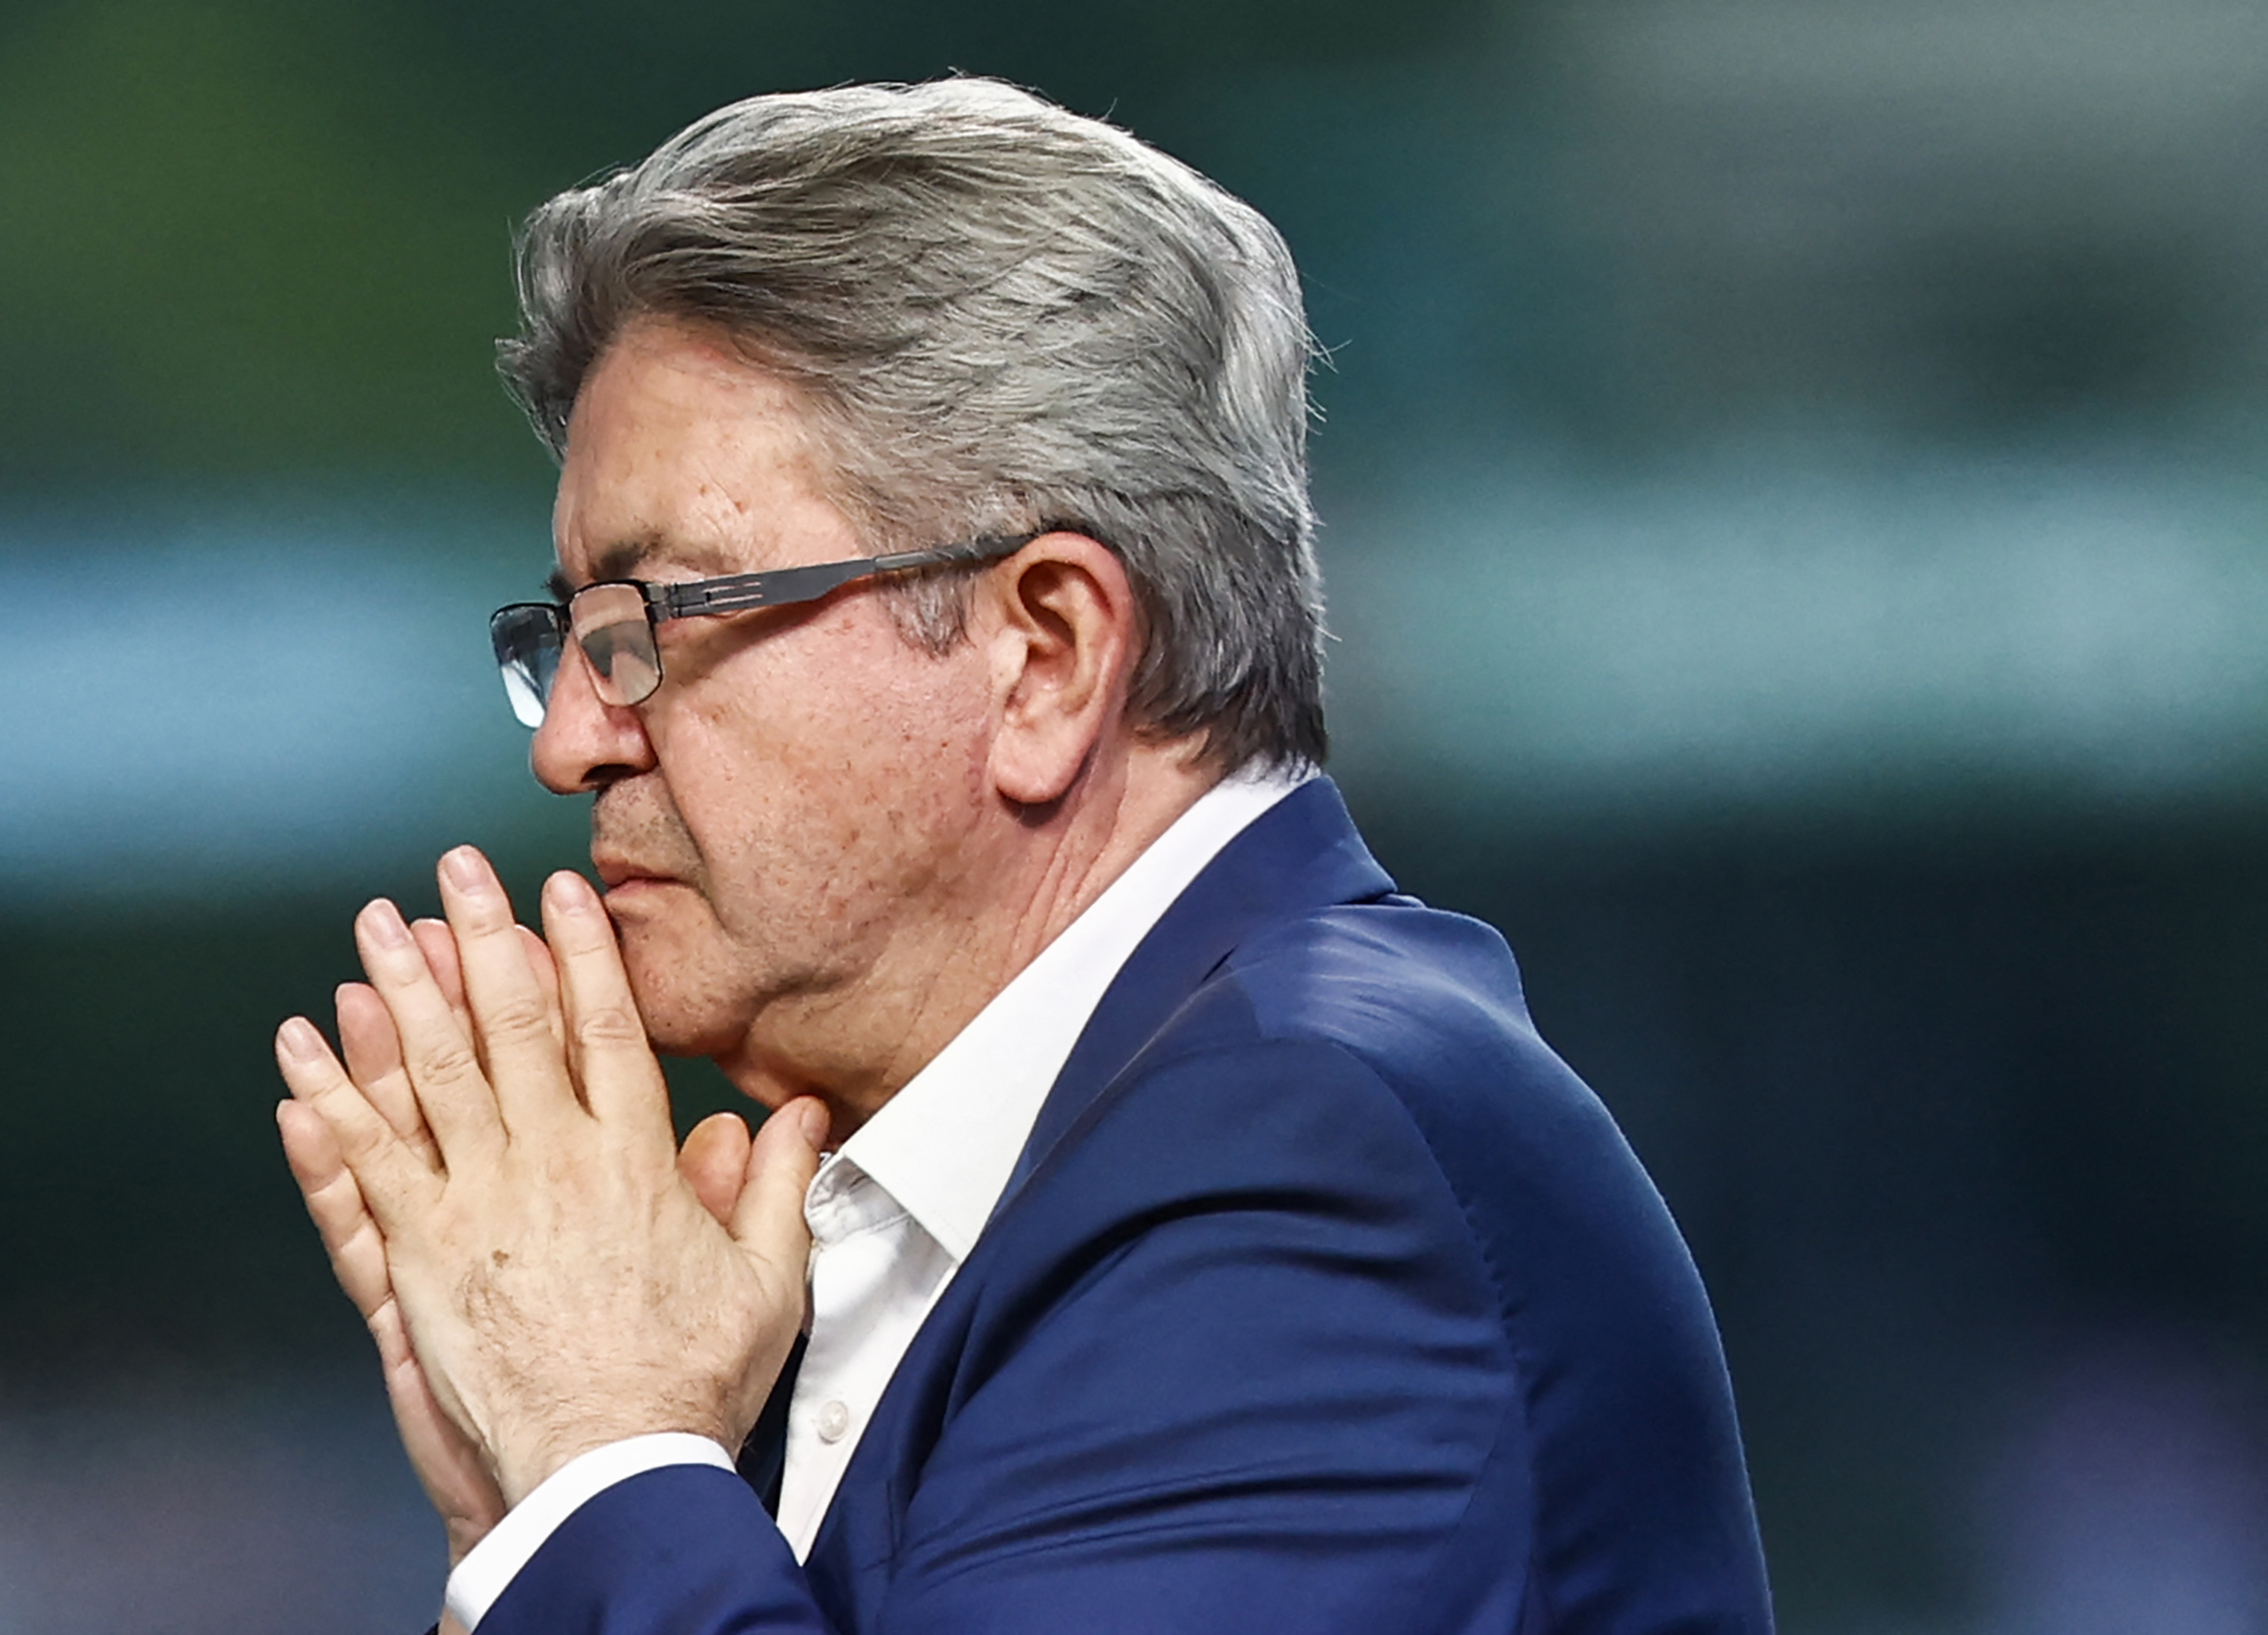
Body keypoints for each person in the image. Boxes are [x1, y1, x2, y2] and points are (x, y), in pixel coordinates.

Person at [271, 78, 1773, 1635]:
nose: (572, 738)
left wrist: (597, 1452)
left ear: (1044, 654)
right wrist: (526, 1518)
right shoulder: (1043, 1173)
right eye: (571, 634)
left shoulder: (1296, 1163)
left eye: (652, 618)